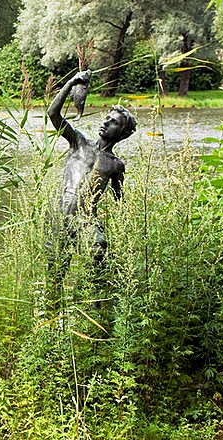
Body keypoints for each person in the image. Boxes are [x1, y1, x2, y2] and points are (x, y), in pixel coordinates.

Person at [45, 70, 136, 308]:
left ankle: (96, 313)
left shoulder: (115, 164)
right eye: (106, 117)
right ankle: (53, 326)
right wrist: (71, 82)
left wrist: (127, 232)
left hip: (86, 219)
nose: (105, 122)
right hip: (62, 214)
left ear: (123, 133)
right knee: (55, 275)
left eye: (113, 122)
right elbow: (52, 114)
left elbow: (120, 202)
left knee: (99, 251)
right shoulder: (79, 143)